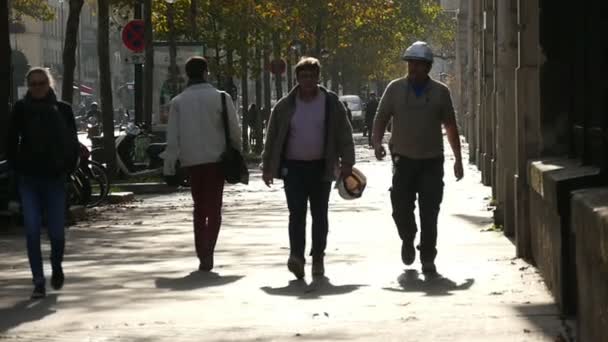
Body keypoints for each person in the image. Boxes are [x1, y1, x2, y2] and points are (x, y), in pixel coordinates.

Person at [371, 41, 464, 275]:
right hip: (403, 160)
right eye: (410, 63)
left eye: (419, 64)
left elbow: (451, 126)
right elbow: (381, 118)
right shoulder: (394, 89)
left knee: (429, 210)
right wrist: (377, 142)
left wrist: (458, 159)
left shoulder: (441, 93)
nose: (413, 68)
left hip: (432, 160)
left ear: (428, 67)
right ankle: (408, 236)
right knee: (400, 207)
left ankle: (428, 255)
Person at [262, 57, 355, 279]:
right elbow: (272, 137)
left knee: (320, 213)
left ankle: (318, 257)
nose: (307, 80)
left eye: (312, 76)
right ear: (297, 79)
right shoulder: (284, 106)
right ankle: (296, 256)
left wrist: (348, 162)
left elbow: (344, 133)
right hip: (292, 169)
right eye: (303, 76)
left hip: (322, 167)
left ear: (318, 77)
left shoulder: (331, 102)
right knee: (296, 213)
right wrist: (267, 167)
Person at [162, 57, 242, 272]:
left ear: (187, 74)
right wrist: (237, 150)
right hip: (217, 160)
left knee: (199, 207)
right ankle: (209, 250)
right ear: (206, 72)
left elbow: (172, 137)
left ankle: (201, 250)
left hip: (192, 161)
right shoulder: (222, 98)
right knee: (215, 207)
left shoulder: (178, 102)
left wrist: (170, 164)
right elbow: (235, 131)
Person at [6, 67, 79, 299]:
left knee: (57, 233)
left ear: (49, 84)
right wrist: (17, 168)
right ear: (28, 86)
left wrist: (67, 169)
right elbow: (10, 142)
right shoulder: (20, 109)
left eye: (41, 83)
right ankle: (38, 281)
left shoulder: (63, 109)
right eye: (33, 84)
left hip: (55, 179)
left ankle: (56, 266)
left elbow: (73, 142)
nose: (37, 87)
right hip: (29, 179)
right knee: (32, 230)